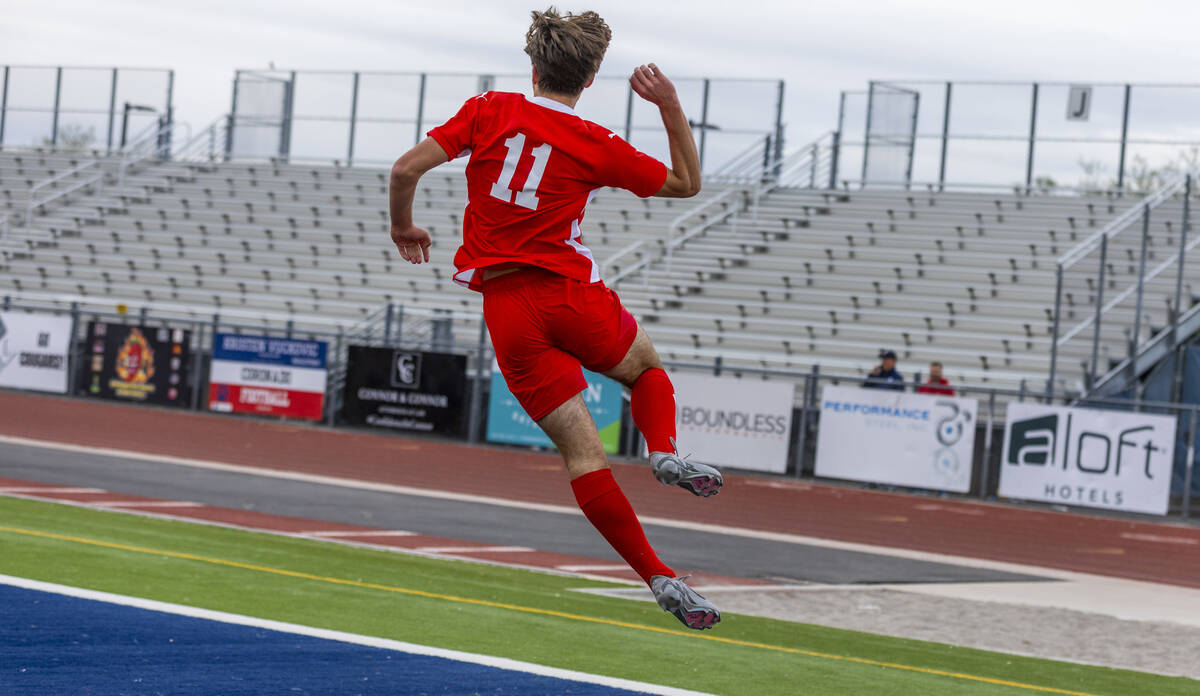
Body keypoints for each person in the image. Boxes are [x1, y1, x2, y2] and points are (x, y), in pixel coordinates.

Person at [385, 7, 722, 631]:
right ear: (590, 78)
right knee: (646, 370)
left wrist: (404, 226)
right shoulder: (596, 142)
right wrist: (670, 105)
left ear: (533, 65)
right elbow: (685, 183)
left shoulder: (487, 110)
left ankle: (658, 575)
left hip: (509, 310)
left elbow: (405, 169)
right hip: (569, 293)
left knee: (583, 457)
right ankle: (666, 451)